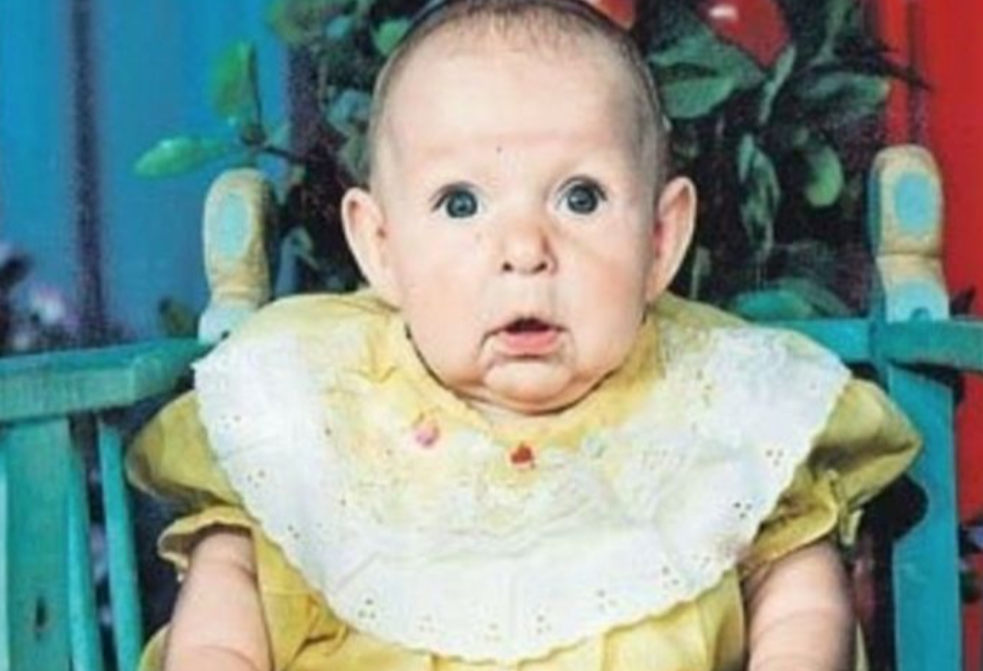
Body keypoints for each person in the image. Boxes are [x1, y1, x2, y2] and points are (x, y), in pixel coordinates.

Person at [128, 1, 920, 669]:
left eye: (579, 198)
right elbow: (232, 574)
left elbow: (797, 580)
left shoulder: (721, 397)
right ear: (380, 246)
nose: (524, 249)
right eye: (460, 203)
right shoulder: (319, 397)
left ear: (660, 238)